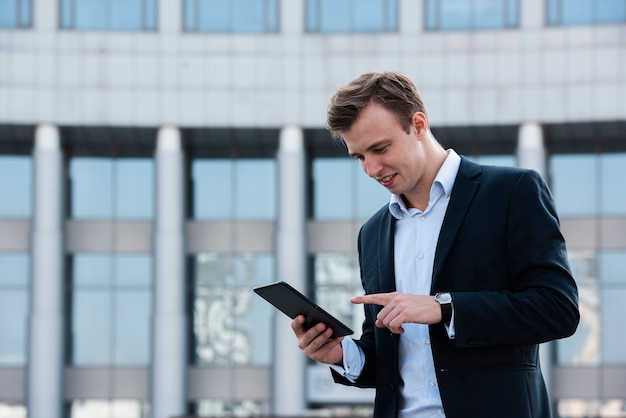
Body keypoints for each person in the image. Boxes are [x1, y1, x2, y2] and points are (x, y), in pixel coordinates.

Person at [291, 71, 580, 418]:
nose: (371, 168)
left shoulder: (511, 192)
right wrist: (340, 354)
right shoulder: (372, 233)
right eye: (359, 157)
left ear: (418, 124)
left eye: (380, 149)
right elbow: (387, 352)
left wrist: (445, 308)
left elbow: (557, 309)